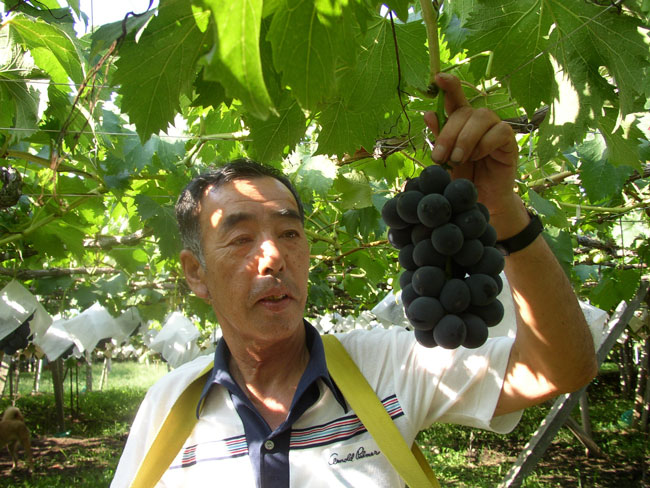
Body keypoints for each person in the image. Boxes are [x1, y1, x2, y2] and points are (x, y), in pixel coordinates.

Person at [111, 73, 598, 487]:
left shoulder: (388, 367)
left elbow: (559, 369)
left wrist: (503, 210)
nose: (273, 256)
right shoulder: (167, 408)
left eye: (289, 233)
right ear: (196, 274)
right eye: (240, 239)